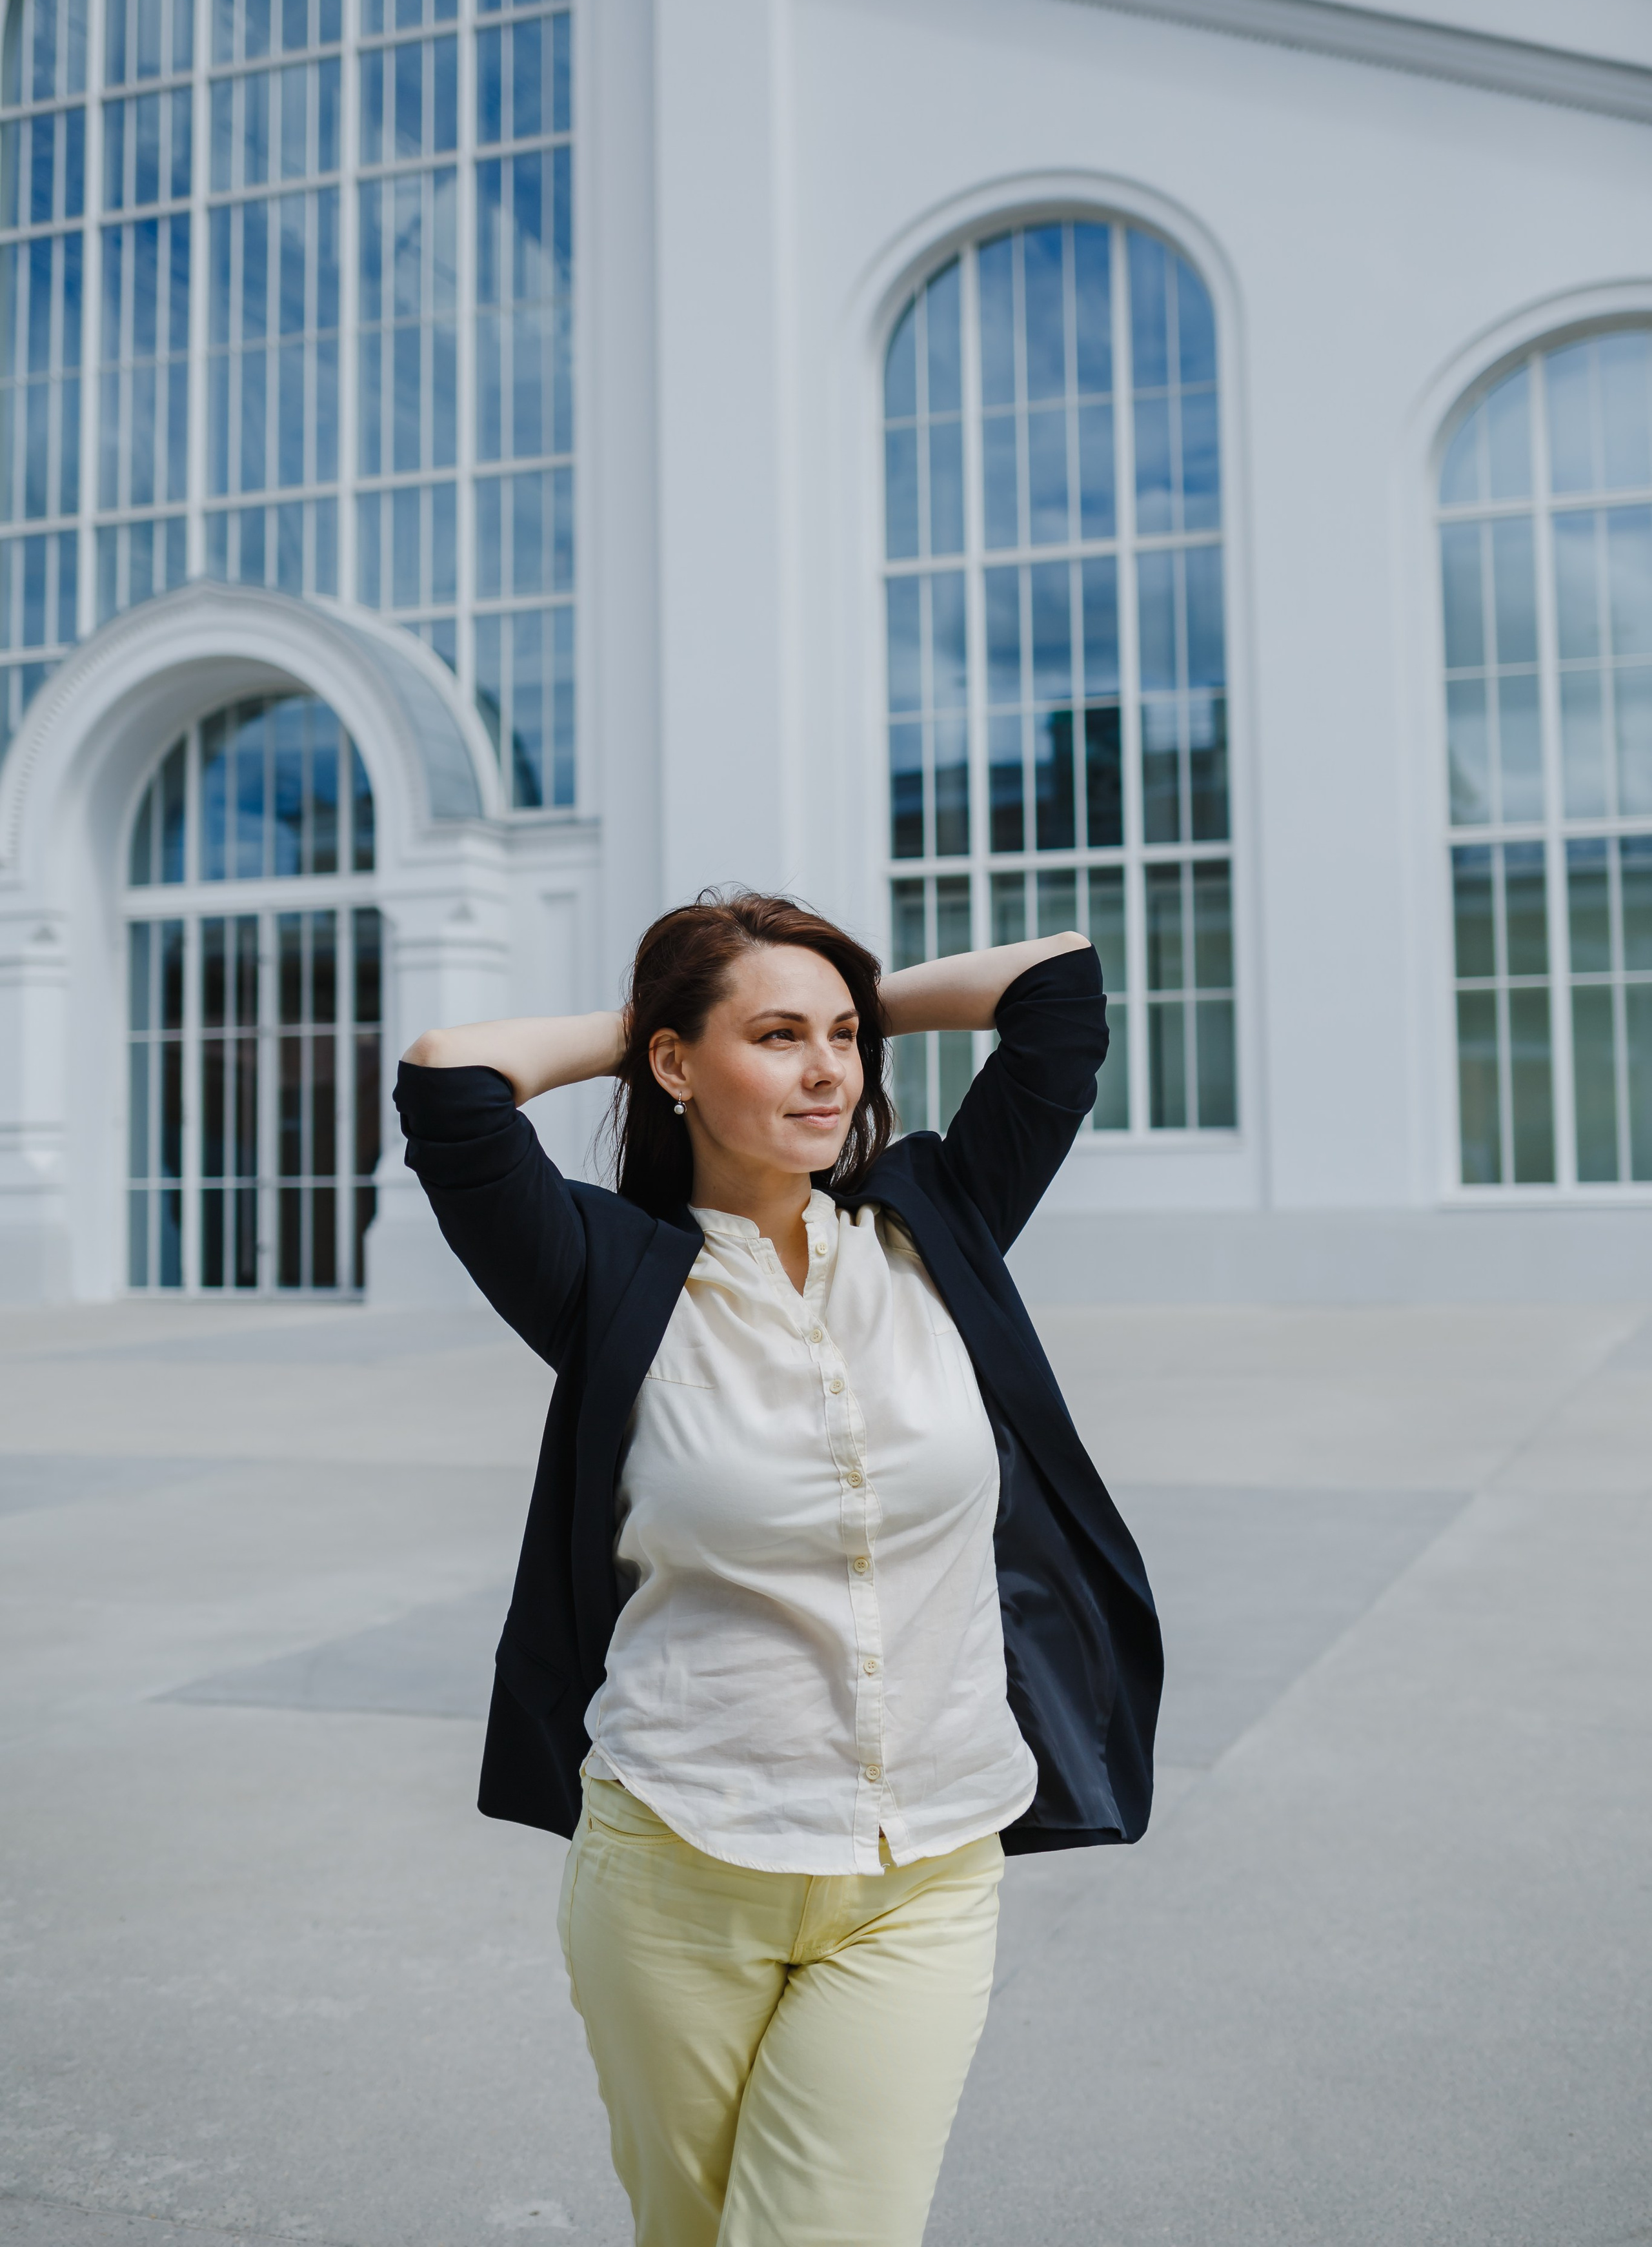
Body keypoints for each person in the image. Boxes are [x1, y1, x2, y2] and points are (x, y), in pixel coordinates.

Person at [395, 890, 1161, 2247]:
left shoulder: (937, 1223)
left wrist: (826, 992)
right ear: (675, 1067)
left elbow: (1056, 987)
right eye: (776, 1037)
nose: (828, 1072)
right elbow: (454, 1083)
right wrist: (655, 1019)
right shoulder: (605, 1269)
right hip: (680, 1865)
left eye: (847, 1038)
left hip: (925, 1864)